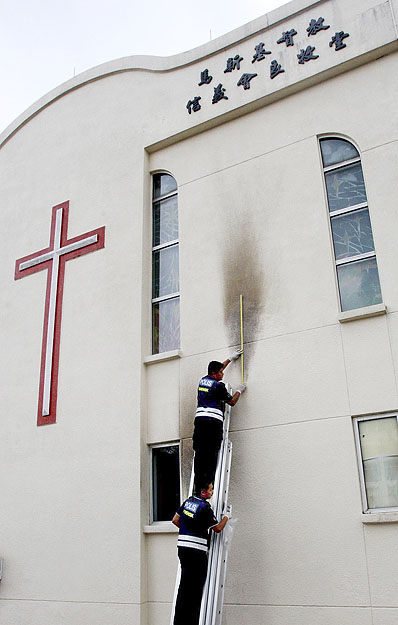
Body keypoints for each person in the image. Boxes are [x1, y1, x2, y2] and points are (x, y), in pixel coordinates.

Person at [172, 483, 229, 625]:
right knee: (196, 589)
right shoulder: (204, 508)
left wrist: (188, 529)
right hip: (196, 552)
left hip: (183, 548)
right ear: (203, 492)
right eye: (210, 489)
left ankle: (179, 620)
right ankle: (191, 621)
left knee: (184, 586)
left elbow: (175, 520)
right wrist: (227, 516)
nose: (212, 492)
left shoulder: (188, 502)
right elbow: (217, 529)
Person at [193, 350, 246, 492]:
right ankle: (208, 485)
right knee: (212, 453)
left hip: (200, 422)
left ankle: (198, 486)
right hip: (212, 423)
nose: (223, 374)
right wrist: (239, 390)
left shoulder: (203, 380)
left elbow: (219, 367)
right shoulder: (218, 386)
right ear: (215, 373)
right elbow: (232, 402)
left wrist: (230, 359)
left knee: (199, 452)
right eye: (221, 373)